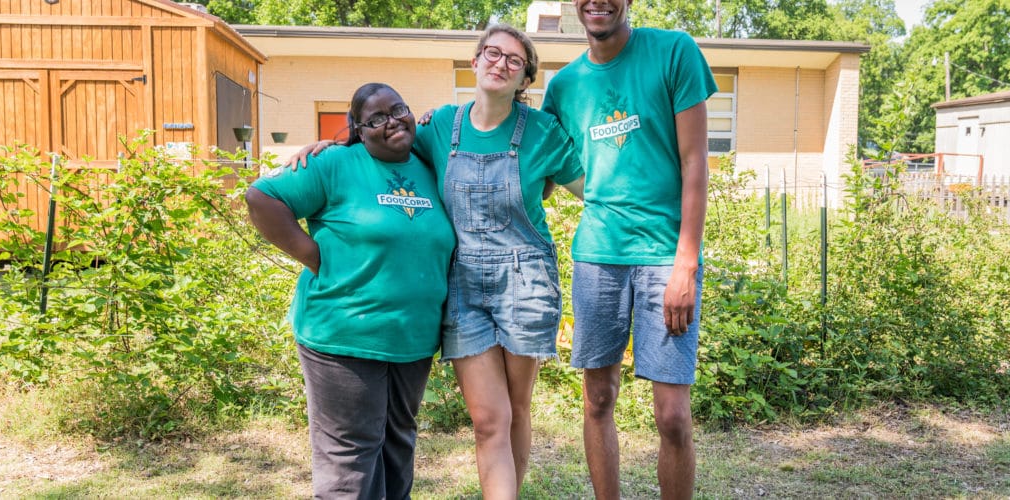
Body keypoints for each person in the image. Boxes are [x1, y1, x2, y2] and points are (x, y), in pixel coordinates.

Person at [287, 25, 584, 499]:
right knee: (490, 419)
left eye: (514, 59)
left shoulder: (543, 133)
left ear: (526, 76)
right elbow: (386, 141)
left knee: (516, 410)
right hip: (462, 281)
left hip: (524, 279)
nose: (500, 63)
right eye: (492, 52)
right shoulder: (440, 125)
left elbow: (587, 188)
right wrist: (330, 146)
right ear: (475, 61)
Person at [538, 0, 716, 498]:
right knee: (598, 399)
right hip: (598, 256)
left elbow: (696, 163)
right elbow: (541, 165)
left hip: (665, 256)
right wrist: (431, 131)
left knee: (673, 416)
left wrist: (687, 263)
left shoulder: (673, 51)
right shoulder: (564, 87)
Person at [246, 83, 456, 499]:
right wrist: (314, 256)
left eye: (398, 109)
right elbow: (262, 197)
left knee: (398, 444)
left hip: (411, 339)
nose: (391, 121)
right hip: (344, 334)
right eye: (376, 119)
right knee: (351, 456)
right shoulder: (334, 164)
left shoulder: (430, 164)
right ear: (359, 129)